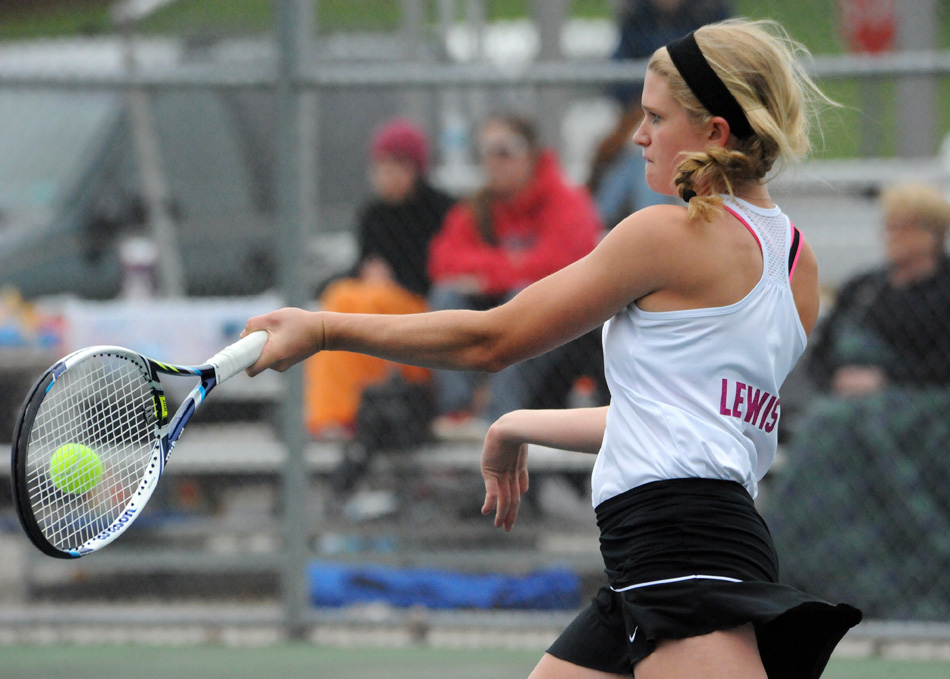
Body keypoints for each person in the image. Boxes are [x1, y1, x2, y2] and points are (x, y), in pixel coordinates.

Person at [243, 19, 861, 678]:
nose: (638, 135)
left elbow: (492, 338)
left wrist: (327, 328)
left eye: (655, 116)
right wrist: (518, 423)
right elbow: (677, 419)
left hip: (680, 554)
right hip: (672, 550)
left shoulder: (668, 234)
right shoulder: (798, 266)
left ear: (714, 133)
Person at [763, 183, 950, 619]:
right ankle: (802, 567)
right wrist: (842, 379)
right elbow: (825, 351)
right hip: (848, 406)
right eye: (889, 228)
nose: (892, 237)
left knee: (832, 426)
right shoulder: (866, 287)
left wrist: (885, 379)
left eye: (903, 228)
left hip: (925, 405)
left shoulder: (944, 291)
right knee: (830, 421)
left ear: (931, 234)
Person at [427, 114, 603, 431]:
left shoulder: (565, 199)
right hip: (495, 309)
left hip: (556, 323)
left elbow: (562, 264)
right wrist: (513, 265)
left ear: (531, 154)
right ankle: (458, 410)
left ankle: (498, 418)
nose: (494, 162)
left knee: (522, 295)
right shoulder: (479, 206)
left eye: (505, 151)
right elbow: (443, 261)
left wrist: (490, 272)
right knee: (446, 295)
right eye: (486, 152)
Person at [303, 118, 455, 439]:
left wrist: (392, 279)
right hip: (378, 301)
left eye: (398, 167)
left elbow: (440, 272)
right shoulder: (373, 214)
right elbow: (362, 265)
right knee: (340, 296)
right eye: (382, 167)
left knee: (366, 299)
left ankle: (351, 408)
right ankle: (335, 413)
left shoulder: (441, 209)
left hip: (419, 308)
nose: (388, 176)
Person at [588, 0, 734, 228]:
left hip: (699, 119)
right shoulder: (637, 14)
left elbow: (721, 79)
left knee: (647, 156)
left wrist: (669, 102)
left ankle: (621, 226)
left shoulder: (710, 12)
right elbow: (618, 85)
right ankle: (611, 225)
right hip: (642, 115)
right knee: (640, 156)